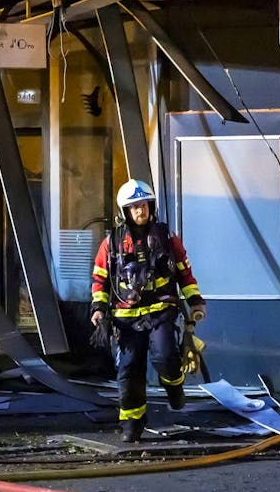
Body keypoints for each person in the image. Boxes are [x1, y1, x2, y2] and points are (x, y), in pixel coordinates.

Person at [90, 179, 205, 442]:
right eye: (134, 207)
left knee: (165, 356)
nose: (140, 210)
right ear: (125, 211)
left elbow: (185, 273)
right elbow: (100, 279)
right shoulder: (112, 243)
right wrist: (98, 307)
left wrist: (195, 301)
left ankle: (174, 385)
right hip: (126, 318)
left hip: (161, 311)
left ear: (151, 206)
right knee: (129, 369)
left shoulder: (167, 239)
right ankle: (132, 422)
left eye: (144, 205)